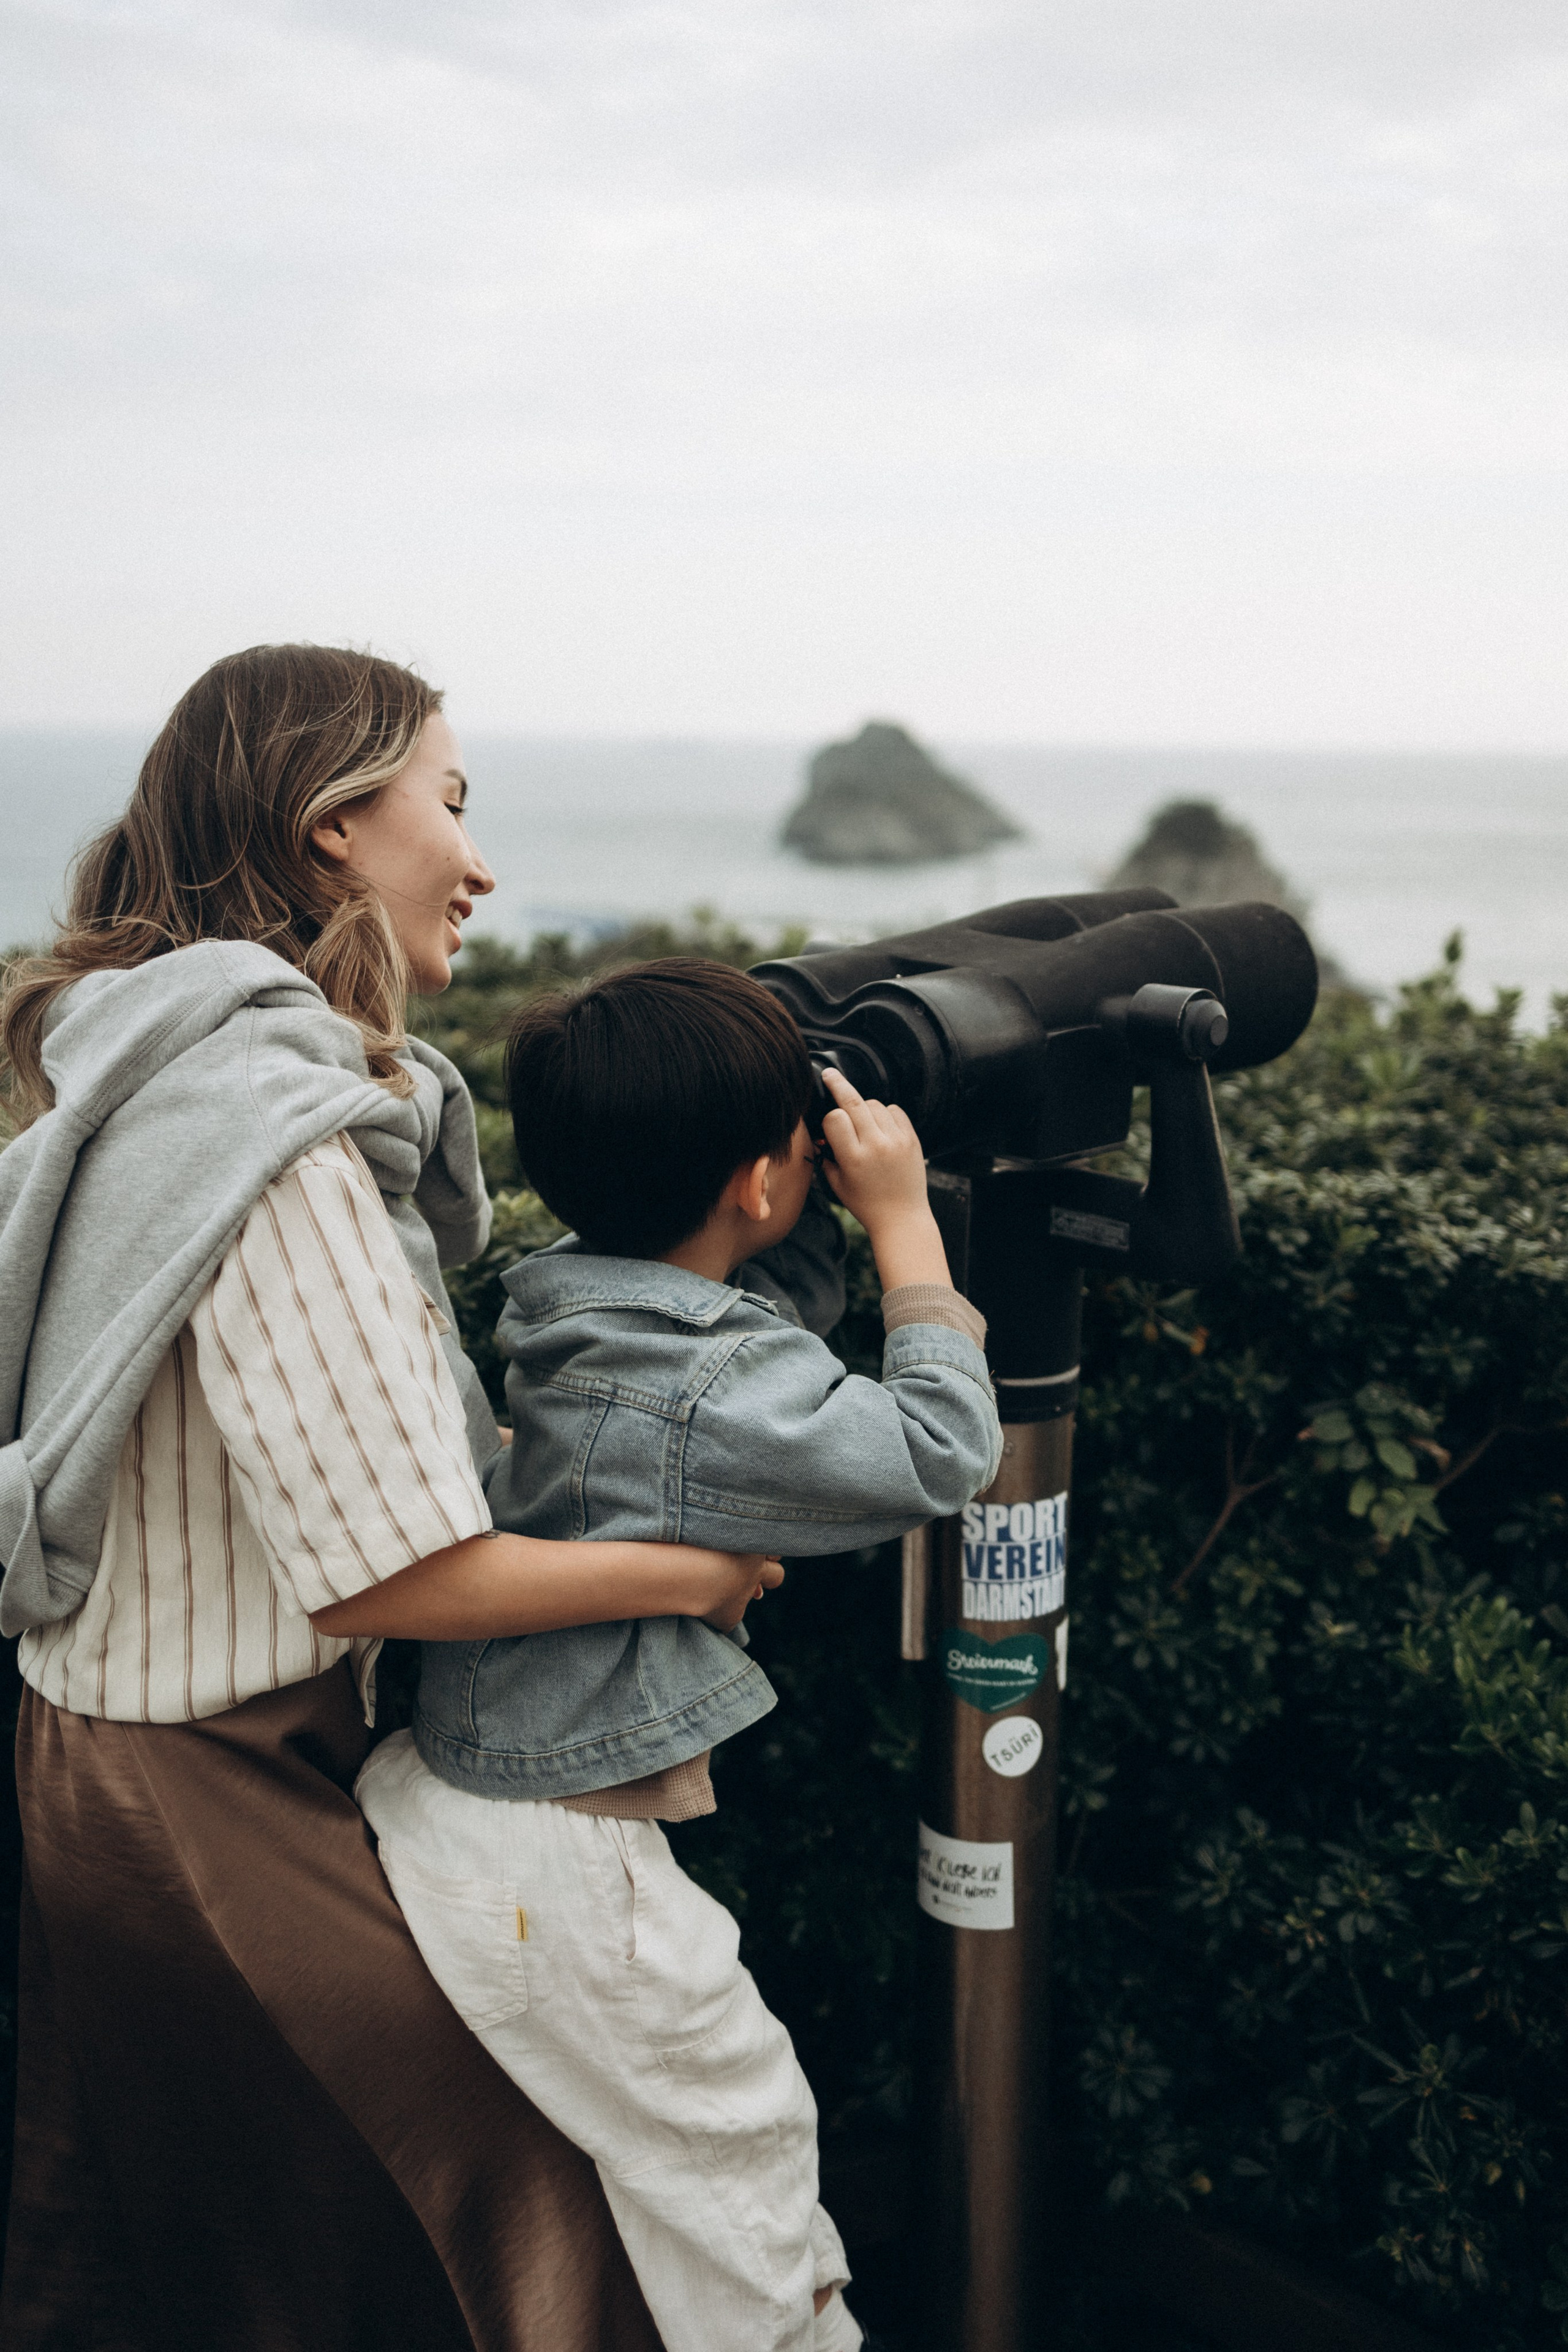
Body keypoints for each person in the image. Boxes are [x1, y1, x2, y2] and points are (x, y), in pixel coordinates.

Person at [0, 646, 783, 2351]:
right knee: (506, 2226)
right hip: (206, 1800)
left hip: (113, 1757)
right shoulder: (272, 1136)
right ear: (334, 827)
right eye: (453, 802)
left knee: (216, 2259)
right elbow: (394, 1572)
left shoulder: (142, 1068)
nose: (480, 862)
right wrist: (693, 1570)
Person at [356, 957, 1004, 2352]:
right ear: (763, 1182)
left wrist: (781, 1169)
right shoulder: (713, 1387)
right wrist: (902, 1225)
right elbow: (936, 1452)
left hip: (471, 1809)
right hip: (562, 1874)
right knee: (744, 2160)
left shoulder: (574, 1302)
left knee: (681, 2182)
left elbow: (771, 1319)